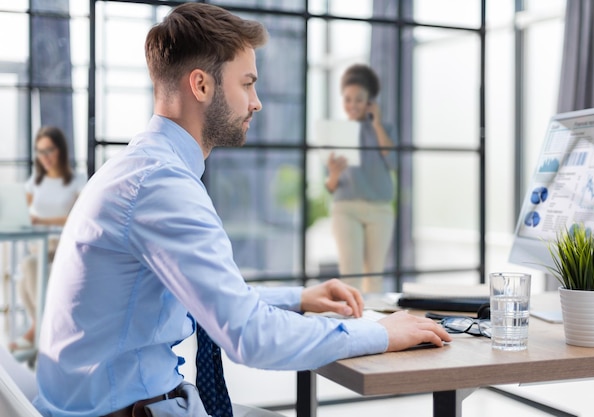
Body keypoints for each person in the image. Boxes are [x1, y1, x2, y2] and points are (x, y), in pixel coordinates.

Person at [33, 4, 451, 417]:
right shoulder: (160, 185)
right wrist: (377, 331)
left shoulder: (143, 169)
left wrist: (300, 298)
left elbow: (210, 295)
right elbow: (250, 336)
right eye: (247, 83)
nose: (257, 102)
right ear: (201, 85)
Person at [8, 126, 85, 353]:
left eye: (49, 150)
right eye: (40, 152)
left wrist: (41, 221)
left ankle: (38, 333)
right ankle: (42, 331)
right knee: (23, 281)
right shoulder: (36, 183)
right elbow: (20, 208)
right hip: (39, 245)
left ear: (60, 150)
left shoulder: (77, 180)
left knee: (29, 267)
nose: (45, 157)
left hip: (64, 246)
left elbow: (78, 216)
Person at [325, 64, 396, 294]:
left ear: (369, 102)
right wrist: (335, 172)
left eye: (358, 99)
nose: (352, 105)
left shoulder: (384, 129)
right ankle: (355, 325)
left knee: (374, 277)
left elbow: (394, 162)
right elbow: (329, 186)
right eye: (347, 99)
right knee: (351, 276)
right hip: (346, 209)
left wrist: (376, 124)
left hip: (380, 210)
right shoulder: (337, 132)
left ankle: (376, 327)